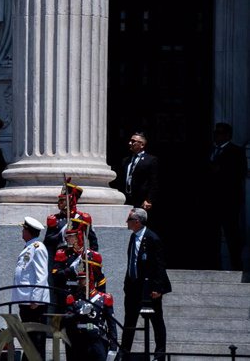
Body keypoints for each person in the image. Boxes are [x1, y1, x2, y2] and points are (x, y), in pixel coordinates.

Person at [121, 207, 171, 360]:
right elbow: (133, 261)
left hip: (149, 288)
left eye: (129, 219)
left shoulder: (152, 238)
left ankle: (159, 354)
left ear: (137, 222)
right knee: (129, 320)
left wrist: (157, 288)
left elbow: (159, 265)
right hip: (133, 287)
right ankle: (124, 352)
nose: (126, 222)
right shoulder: (133, 237)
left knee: (156, 321)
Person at [207, 122, 247, 270]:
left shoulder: (236, 151)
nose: (217, 136)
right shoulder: (210, 151)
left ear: (228, 135)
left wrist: (220, 170)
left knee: (232, 233)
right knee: (212, 233)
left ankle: (237, 265)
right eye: (215, 133)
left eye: (220, 133)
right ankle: (213, 264)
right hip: (212, 201)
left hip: (229, 201)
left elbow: (240, 173)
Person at [12, 216, 50, 361]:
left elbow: (42, 275)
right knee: (28, 336)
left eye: (24, 229)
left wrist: (36, 299)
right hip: (26, 299)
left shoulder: (38, 248)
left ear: (28, 231)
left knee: (36, 338)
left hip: (33, 302)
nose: (22, 231)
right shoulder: (29, 247)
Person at [61, 269, 118, 361]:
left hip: (98, 340)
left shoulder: (103, 298)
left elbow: (112, 324)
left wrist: (113, 347)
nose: (79, 282)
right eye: (78, 279)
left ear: (90, 280)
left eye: (82, 279)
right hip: (80, 341)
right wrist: (79, 313)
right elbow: (66, 319)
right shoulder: (73, 298)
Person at [118, 132, 160, 212]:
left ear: (142, 145)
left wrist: (149, 199)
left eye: (133, 141)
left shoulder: (150, 160)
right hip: (126, 199)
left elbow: (153, 181)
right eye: (130, 141)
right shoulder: (125, 160)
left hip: (141, 201)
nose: (130, 143)